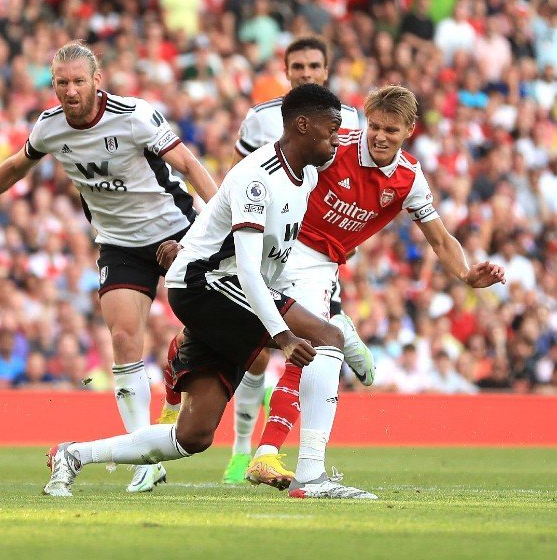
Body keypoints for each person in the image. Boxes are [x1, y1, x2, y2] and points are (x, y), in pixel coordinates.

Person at [164, 85, 505, 497]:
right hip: (279, 247)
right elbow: (260, 181)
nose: (379, 136)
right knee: (318, 343)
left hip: (318, 267)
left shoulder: (409, 180)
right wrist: (199, 241)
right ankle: (303, 470)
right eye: (374, 126)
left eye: (391, 130)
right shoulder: (332, 148)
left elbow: (440, 239)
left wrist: (467, 275)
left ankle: (294, 462)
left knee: (320, 347)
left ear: (409, 131)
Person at [0, 40, 217, 493]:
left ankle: (180, 382)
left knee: (213, 325)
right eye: (61, 82)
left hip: (177, 232)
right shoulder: (49, 128)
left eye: (78, 81)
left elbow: (187, 164)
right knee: (124, 338)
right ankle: (145, 457)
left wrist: (217, 223)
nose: (69, 90)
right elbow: (14, 166)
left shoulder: (134, 115)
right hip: (119, 244)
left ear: (96, 81)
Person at [43, 83, 346, 497]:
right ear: (302, 125)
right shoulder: (257, 178)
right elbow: (247, 271)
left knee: (194, 435)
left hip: (223, 285)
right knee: (328, 337)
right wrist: (283, 335)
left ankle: (73, 455)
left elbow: (259, 256)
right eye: (333, 129)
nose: (337, 138)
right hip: (204, 284)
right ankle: (313, 477)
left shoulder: (307, 176)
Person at [216, 35, 367, 486]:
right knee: (259, 352)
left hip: (317, 245)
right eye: (297, 66)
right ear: (286, 71)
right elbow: (243, 178)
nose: (305, 72)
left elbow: (352, 182)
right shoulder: (262, 118)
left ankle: (275, 452)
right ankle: (245, 450)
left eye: (313, 65)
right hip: (271, 240)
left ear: (327, 69)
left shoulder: (351, 120)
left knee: (309, 339)